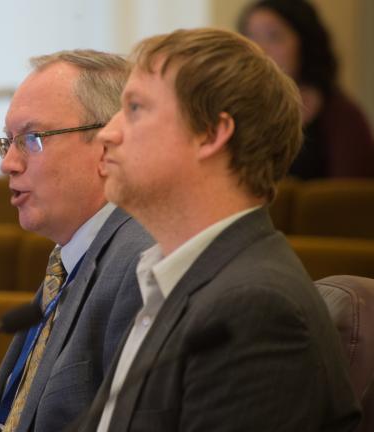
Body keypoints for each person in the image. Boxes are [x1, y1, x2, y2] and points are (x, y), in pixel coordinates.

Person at [72, 28, 361, 431]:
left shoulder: (253, 309)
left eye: (135, 108)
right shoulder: (176, 280)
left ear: (211, 134)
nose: (108, 132)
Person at [0, 50, 153, 432]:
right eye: (8, 141)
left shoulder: (139, 265)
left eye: (32, 139)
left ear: (107, 146)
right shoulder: (71, 257)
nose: (8, 163)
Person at [239, 0, 374, 179]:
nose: (259, 49)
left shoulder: (342, 115)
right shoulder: (235, 111)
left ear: (305, 42)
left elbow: (348, 198)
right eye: (250, 37)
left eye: (274, 36)